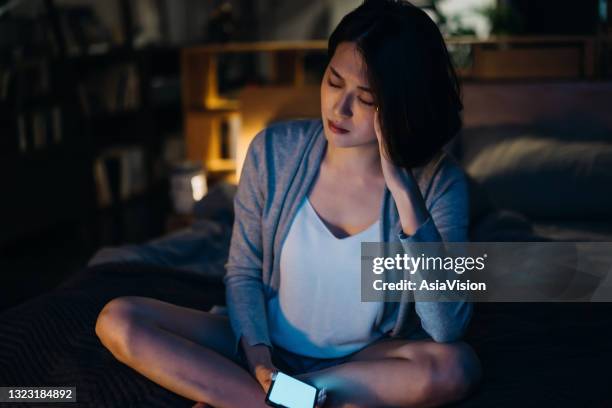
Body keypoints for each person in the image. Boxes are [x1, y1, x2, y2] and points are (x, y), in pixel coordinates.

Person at [94, 1, 482, 407]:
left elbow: (447, 326)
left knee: (457, 366)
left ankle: (266, 398)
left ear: (400, 106)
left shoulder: (439, 183)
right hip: (262, 342)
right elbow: (242, 272)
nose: (340, 108)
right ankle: (288, 400)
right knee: (119, 319)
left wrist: (403, 190)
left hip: (358, 359)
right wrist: (261, 363)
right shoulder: (273, 150)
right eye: (334, 81)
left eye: (365, 98)